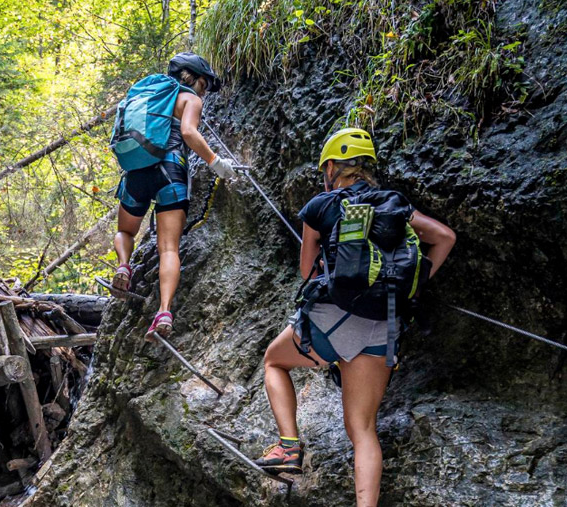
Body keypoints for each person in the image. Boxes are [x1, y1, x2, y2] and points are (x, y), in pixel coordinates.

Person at [253, 128, 456, 506]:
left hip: (331, 323)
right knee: (363, 431)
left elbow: (308, 273)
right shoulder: (395, 203)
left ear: (331, 167)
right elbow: (444, 237)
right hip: (382, 328)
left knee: (274, 362)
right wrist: (416, 282)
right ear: (368, 168)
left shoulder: (320, 206)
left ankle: (288, 447)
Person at [112, 52, 235, 339]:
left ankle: (123, 267)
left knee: (125, 231)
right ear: (196, 78)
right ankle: (164, 312)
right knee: (169, 249)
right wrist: (217, 163)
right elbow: (189, 133)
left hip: (137, 172)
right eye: (205, 84)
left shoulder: (147, 95)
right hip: (170, 171)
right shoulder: (189, 98)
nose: (205, 90)